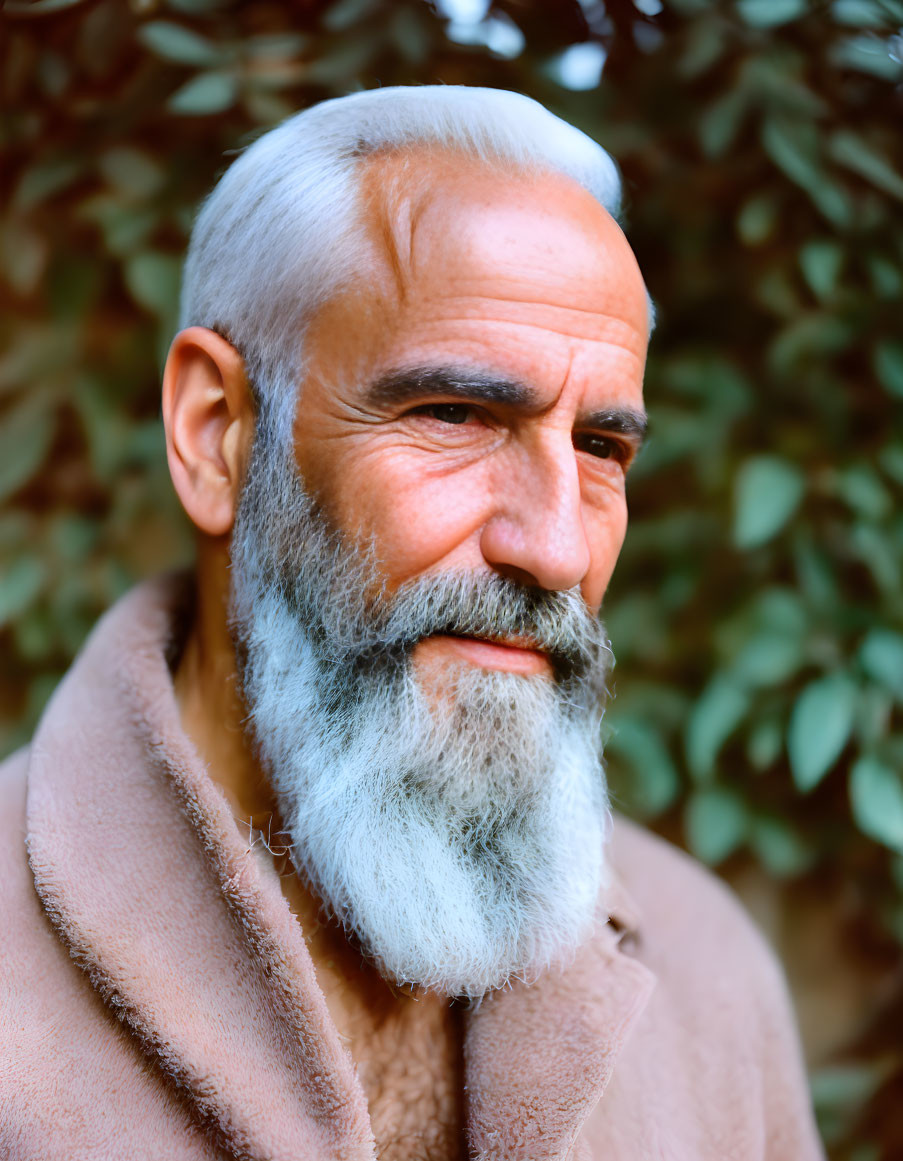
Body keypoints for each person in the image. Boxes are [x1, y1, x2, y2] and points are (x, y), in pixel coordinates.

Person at [0, 86, 824, 1161]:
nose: (559, 549)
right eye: (456, 415)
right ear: (215, 435)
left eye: (602, 449)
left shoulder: (707, 968)